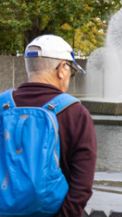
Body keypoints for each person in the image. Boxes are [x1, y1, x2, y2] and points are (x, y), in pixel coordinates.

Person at [12, 35, 97, 216]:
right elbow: (81, 187)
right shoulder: (75, 113)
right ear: (61, 69)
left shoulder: (3, 105)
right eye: (70, 71)